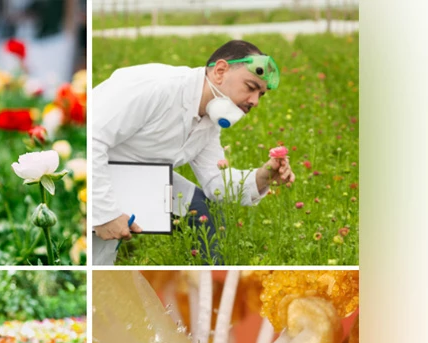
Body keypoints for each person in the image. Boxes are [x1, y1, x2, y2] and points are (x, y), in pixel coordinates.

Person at [90, 40, 296, 265]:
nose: (255, 102)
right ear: (220, 71)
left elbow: (217, 182)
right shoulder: (158, 87)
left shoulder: (208, 120)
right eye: (250, 87)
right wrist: (106, 214)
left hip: (137, 180)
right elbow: (91, 138)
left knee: (201, 212)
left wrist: (264, 174)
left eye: (261, 95)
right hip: (91, 177)